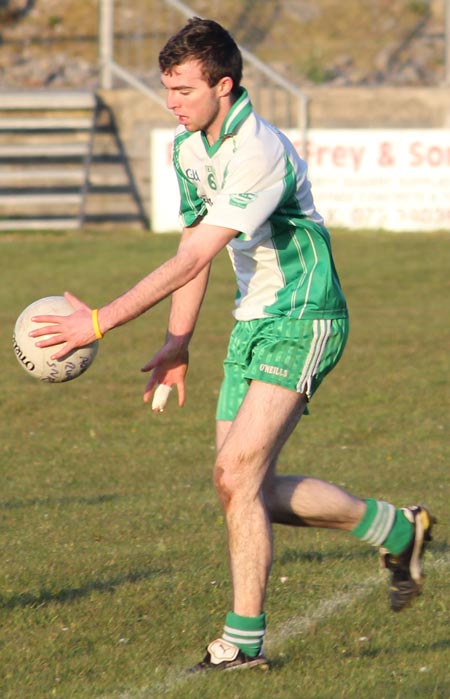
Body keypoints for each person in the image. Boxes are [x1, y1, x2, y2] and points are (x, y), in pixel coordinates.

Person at [31, 17, 435, 673]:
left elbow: (193, 259)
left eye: (184, 90)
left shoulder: (258, 149)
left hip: (305, 315)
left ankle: (243, 642)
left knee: (237, 475)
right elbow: (192, 248)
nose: (172, 104)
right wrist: (176, 342)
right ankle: (393, 527)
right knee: (243, 487)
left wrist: (98, 322)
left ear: (225, 84)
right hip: (254, 321)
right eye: (167, 89)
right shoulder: (190, 149)